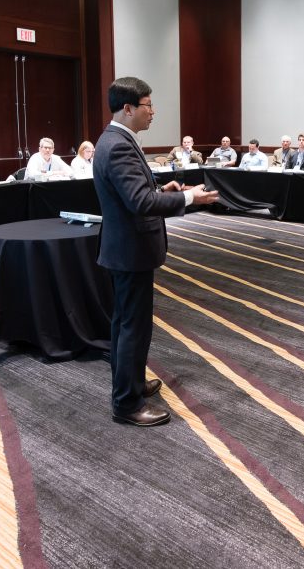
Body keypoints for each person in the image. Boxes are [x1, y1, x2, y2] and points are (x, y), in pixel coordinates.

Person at [93, 77, 219, 427]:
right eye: (148, 105)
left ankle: (129, 384)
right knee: (133, 328)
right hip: (130, 251)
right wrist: (191, 197)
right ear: (128, 108)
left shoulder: (115, 140)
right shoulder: (118, 145)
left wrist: (164, 188)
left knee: (124, 325)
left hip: (124, 249)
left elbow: (134, 192)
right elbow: (140, 202)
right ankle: (126, 404)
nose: (154, 112)